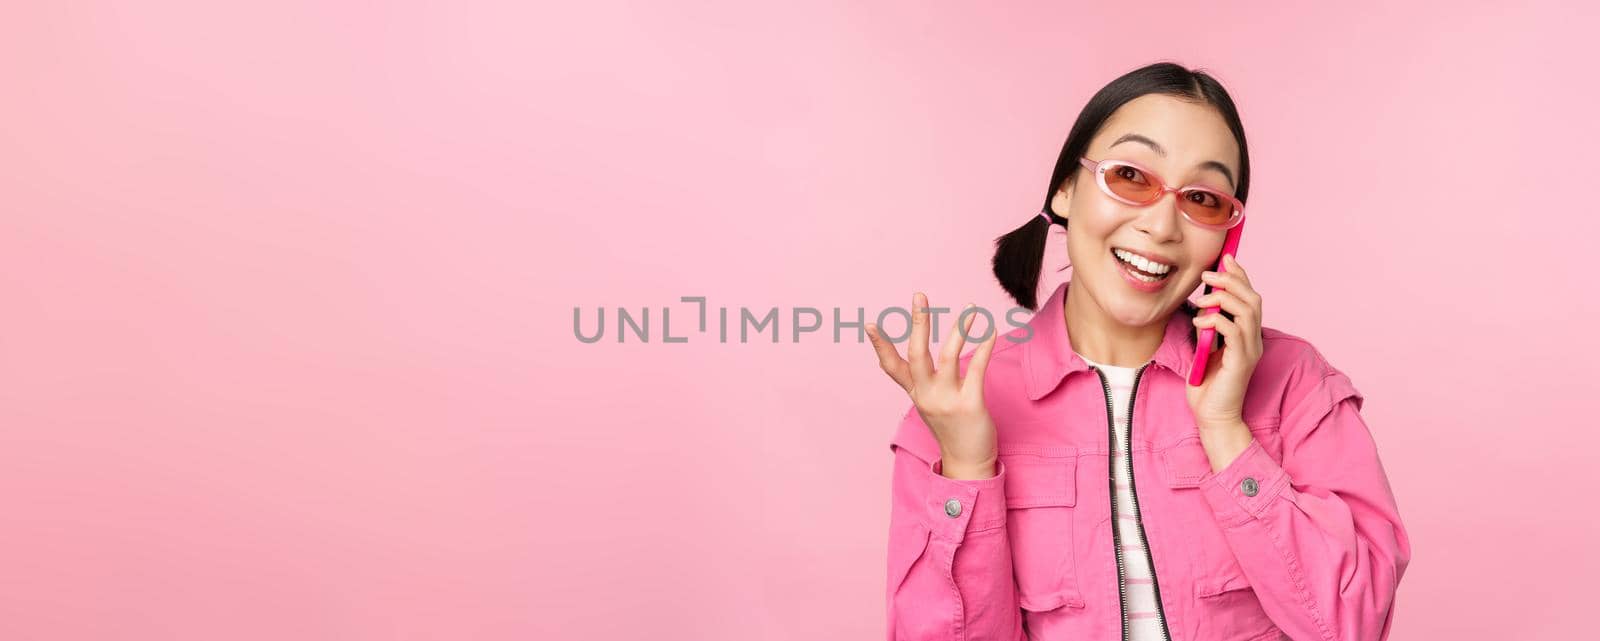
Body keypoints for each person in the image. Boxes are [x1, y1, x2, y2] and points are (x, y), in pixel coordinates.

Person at [865, 62, 1411, 641]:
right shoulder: (959, 404)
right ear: (1066, 191)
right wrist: (969, 469)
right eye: (1130, 176)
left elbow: (1352, 625)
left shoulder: (1295, 383)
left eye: (1201, 197)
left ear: (1227, 236)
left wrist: (1227, 432)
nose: (1161, 225)